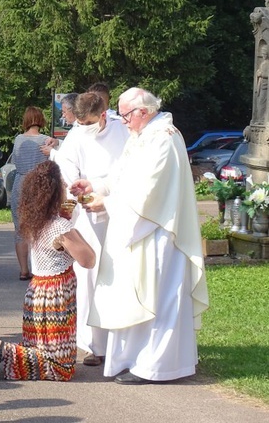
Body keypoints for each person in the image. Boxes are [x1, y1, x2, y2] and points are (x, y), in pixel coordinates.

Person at [70, 87, 209, 384]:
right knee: (136, 294)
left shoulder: (164, 138)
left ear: (142, 112)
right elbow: (122, 175)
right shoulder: (142, 137)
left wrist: (106, 202)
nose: (123, 122)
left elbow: (149, 192)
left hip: (158, 234)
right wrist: (93, 185)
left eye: (125, 115)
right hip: (139, 233)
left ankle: (156, 366)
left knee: (157, 299)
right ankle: (136, 359)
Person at [0, 161, 95, 382]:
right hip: (56, 295)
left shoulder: (36, 221)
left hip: (36, 291)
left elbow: (57, 230)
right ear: (53, 191)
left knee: (41, 348)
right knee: (61, 366)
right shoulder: (60, 227)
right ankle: (2, 350)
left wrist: (72, 210)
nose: (66, 185)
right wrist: (74, 230)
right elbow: (88, 260)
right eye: (62, 183)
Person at [54, 92, 129, 367]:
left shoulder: (123, 130)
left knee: (119, 274)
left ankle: (121, 341)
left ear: (103, 114)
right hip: (87, 213)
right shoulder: (76, 134)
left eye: (88, 122)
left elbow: (129, 170)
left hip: (118, 211)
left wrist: (104, 194)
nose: (83, 126)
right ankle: (92, 345)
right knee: (89, 277)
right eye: (80, 122)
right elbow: (67, 167)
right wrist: (79, 190)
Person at [9, 107, 49, 280]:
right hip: (38, 184)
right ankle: (39, 267)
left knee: (20, 229)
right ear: (40, 119)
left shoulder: (18, 139)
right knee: (39, 227)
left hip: (20, 183)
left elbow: (15, 160)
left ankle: (24, 269)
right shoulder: (46, 140)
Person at [254, 44, 269, 123]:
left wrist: (261, 74)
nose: (263, 55)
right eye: (263, 54)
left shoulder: (267, 63)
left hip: (265, 86)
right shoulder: (263, 63)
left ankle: (262, 120)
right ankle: (260, 119)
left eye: (265, 53)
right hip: (261, 86)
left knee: (262, 103)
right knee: (260, 103)